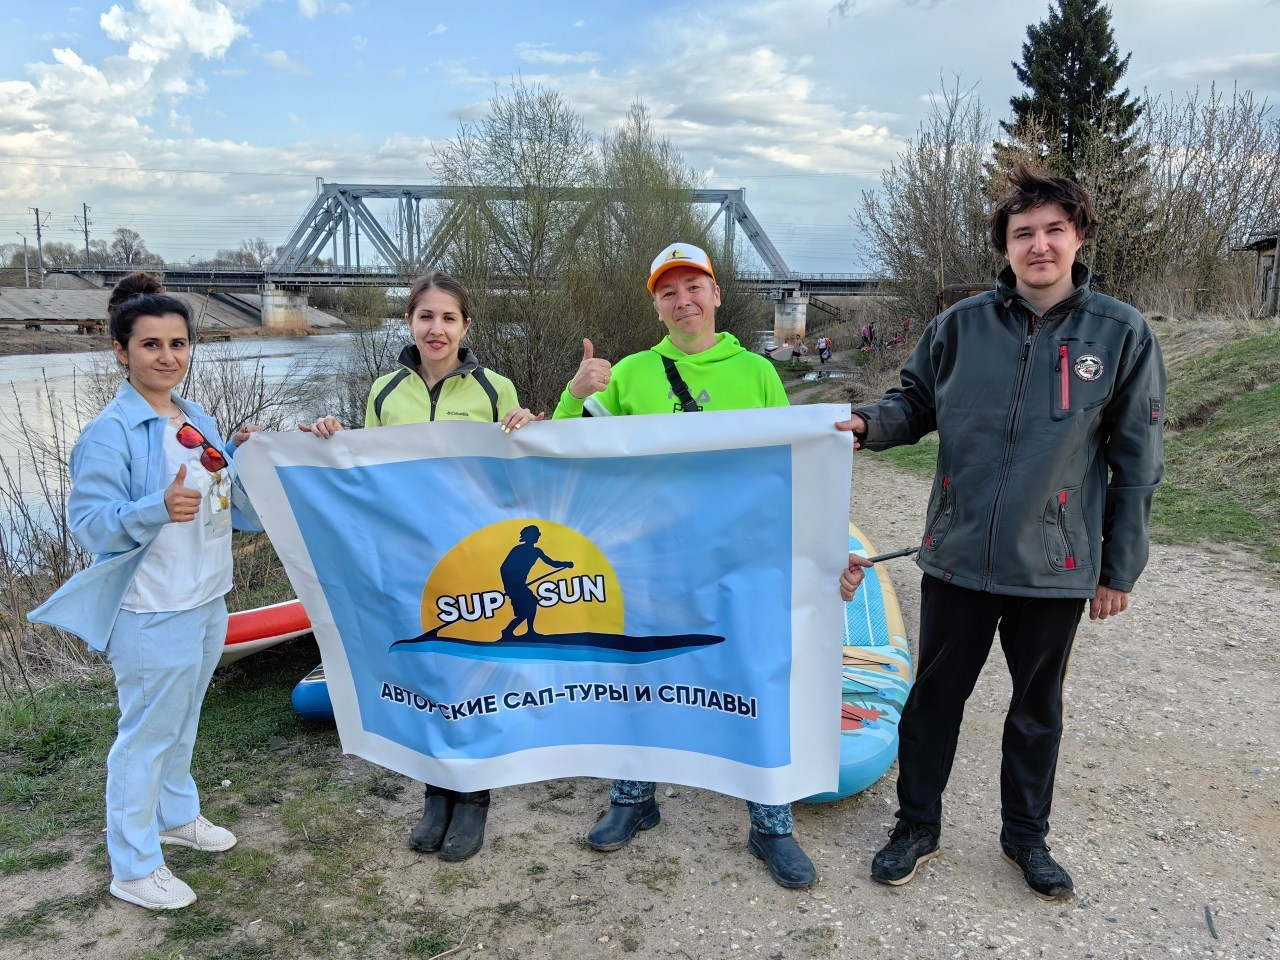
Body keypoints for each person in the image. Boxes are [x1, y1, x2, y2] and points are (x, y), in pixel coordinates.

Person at [837, 165, 1166, 901]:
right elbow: (912, 402)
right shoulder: (959, 327)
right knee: (933, 702)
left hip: (1054, 564)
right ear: (1006, 246)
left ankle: (1026, 838)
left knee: (1036, 709)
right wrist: (867, 424)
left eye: (1054, 230)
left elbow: (1138, 461)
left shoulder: (1121, 334)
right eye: (1024, 233)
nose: (1039, 245)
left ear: (1078, 237)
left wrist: (1120, 567)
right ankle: (915, 826)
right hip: (956, 558)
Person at [553, 241, 870, 889]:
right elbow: (569, 453)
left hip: (740, 564)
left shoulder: (755, 372)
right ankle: (633, 799)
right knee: (638, 680)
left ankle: (770, 824)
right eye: (668, 291)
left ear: (717, 294)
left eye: (693, 286)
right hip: (649, 564)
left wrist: (827, 548)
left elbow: (796, 471)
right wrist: (571, 394)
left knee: (754, 681)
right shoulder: (630, 374)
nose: (683, 300)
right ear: (657, 305)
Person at [29, 272, 263, 911]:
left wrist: (248, 460)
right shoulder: (109, 432)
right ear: (121, 352)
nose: (168, 357)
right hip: (149, 607)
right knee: (145, 734)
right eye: (152, 345)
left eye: (179, 344)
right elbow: (90, 524)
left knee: (183, 718)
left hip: (207, 593)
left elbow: (225, 502)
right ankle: (133, 865)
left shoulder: (196, 417)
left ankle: (175, 815)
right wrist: (154, 508)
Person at [302, 269, 542, 863]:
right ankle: (435, 791)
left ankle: (474, 797)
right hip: (410, 557)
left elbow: (518, 475)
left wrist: (532, 429)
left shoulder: (495, 389)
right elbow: (365, 476)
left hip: (474, 556)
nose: (437, 329)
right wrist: (329, 438)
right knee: (428, 672)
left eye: (449, 318)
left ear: (466, 326)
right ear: (409, 321)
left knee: (472, 674)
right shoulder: (384, 392)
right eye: (426, 316)